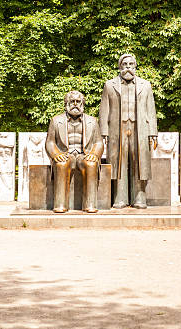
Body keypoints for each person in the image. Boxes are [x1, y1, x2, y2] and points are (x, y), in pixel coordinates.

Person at [98, 54, 158, 209]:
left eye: (131, 64)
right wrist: (103, 131)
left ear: (135, 67)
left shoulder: (146, 85)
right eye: (124, 64)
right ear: (120, 67)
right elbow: (104, 109)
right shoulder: (109, 85)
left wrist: (153, 132)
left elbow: (151, 109)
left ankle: (139, 197)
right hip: (117, 129)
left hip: (140, 129)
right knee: (119, 163)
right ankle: (120, 198)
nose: (128, 67)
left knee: (140, 163)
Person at [46, 91, 104, 213]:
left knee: (91, 164)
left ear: (83, 103)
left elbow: (98, 142)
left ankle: (90, 204)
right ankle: (60, 205)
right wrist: (56, 154)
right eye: (72, 101)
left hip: (84, 154)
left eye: (78, 101)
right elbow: (50, 142)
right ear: (66, 103)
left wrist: (94, 154)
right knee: (61, 164)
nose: (75, 104)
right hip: (65, 154)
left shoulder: (92, 121)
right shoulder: (56, 121)